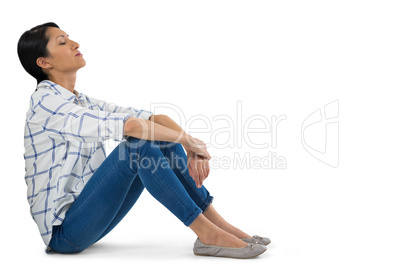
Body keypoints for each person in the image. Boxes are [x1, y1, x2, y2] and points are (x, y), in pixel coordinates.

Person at [18, 22, 270, 259]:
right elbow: (130, 127)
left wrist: (187, 142)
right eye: (62, 42)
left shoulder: (81, 101)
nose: (74, 44)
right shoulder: (46, 103)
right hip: (64, 234)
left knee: (157, 138)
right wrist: (187, 142)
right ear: (44, 62)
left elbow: (154, 119)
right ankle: (207, 234)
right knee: (138, 145)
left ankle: (218, 224)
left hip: (91, 218)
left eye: (70, 38)